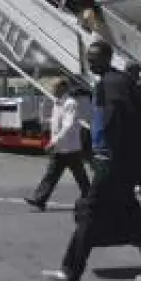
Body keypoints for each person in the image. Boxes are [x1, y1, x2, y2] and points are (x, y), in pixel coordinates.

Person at [43, 41, 141, 281]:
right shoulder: (116, 81)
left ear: (107, 58)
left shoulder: (111, 84)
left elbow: (114, 122)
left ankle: (70, 272)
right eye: (89, 58)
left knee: (90, 211)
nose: (91, 63)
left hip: (112, 162)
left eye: (94, 58)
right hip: (122, 162)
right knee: (135, 217)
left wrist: (106, 155)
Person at [24, 78, 91, 211]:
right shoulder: (58, 102)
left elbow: (68, 125)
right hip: (60, 148)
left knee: (80, 176)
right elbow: (58, 121)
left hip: (70, 148)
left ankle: (91, 198)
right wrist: (47, 121)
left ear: (63, 88)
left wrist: (54, 141)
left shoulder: (70, 103)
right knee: (51, 174)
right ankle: (39, 199)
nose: (52, 90)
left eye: (54, 87)